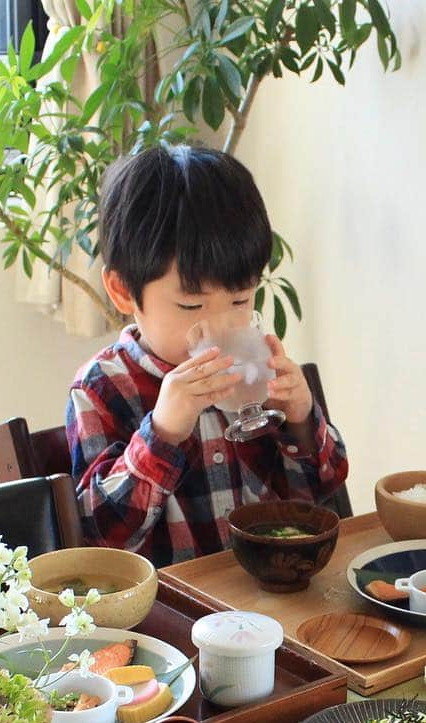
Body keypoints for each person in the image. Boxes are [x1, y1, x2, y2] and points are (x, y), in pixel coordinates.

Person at [66, 144, 348, 566]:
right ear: (123, 290)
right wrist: (162, 433)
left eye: (240, 300)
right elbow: (102, 537)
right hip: (172, 614)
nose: (221, 327)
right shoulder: (103, 387)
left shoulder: (257, 371)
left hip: (268, 592)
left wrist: (302, 420)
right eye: (191, 307)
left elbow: (319, 494)